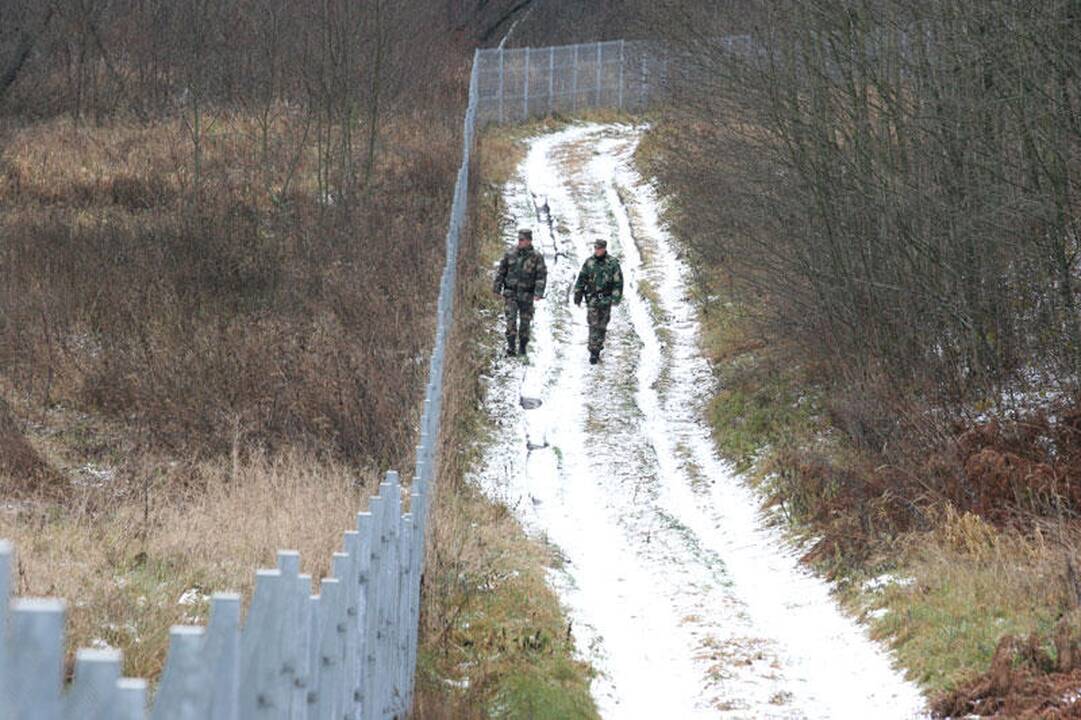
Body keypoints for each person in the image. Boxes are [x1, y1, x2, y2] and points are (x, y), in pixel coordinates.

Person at [493, 228, 547, 357]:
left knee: (525, 322)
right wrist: (497, 287)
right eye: (519, 239)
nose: (520, 242)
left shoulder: (536, 257)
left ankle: (522, 347)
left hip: (527, 295)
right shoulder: (510, 253)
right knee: (510, 320)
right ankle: (511, 347)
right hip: (511, 293)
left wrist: (538, 292)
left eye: (522, 240)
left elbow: (541, 276)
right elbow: (502, 271)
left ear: (529, 241)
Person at [574, 239, 623, 364]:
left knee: (602, 325)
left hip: (606, 299)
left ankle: (598, 347)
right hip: (592, 298)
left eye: (600, 248)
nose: (597, 251)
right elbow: (581, 279)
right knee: (593, 324)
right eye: (596, 248)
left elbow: (618, 282)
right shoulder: (589, 263)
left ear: (604, 248)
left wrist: (616, 298)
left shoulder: (612, 264)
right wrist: (578, 294)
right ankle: (593, 352)